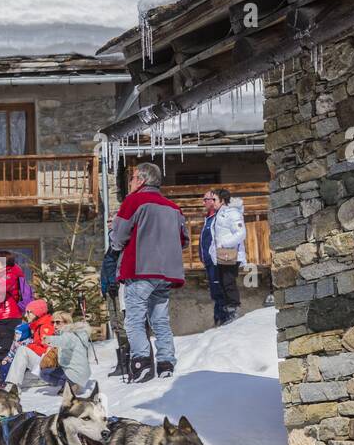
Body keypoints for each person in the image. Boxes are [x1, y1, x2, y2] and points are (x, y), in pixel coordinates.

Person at [110, 162, 188, 383]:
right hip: (167, 273)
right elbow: (183, 240)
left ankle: (141, 363)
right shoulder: (174, 208)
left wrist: (116, 243)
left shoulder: (133, 201)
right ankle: (166, 363)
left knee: (134, 319)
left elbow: (119, 235)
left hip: (140, 269)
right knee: (160, 320)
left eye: (133, 178)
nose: (131, 182)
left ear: (142, 180)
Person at [203, 188, 248, 325]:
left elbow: (241, 233)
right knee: (222, 281)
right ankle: (228, 311)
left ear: (222, 200)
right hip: (221, 255)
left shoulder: (232, 213)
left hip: (231, 254)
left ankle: (234, 309)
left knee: (228, 282)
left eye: (215, 199)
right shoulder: (219, 214)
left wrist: (224, 244)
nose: (213, 202)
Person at [2, 299, 56, 390]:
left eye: (29, 312)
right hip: (43, 363)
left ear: (37, 313)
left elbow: (48, 350)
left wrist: (28, 346)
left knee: (22, 350)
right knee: (22, 350)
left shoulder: (46, 326)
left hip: (48, 364)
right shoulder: (39, 325)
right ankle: (14, 383)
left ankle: (12, 385)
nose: (26, 315)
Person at [100, 217, 130, 378]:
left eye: (112, 220)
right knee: (115, 324)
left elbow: (118, 264)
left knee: (120, 323)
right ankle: (122, 361)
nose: (108, 223)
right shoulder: (112, 240)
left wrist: (113, 282)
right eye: (108, 221)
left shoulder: (119, 240)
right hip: (110, 289)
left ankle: (127, 361)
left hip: (117, 288)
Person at [38, 312, 93, 389]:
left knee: (44, 373)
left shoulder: (68, 334)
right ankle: (69, 384)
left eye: (58, 322)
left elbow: (63, 341)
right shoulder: (74, 333)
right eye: (53, 322)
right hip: (80, 372)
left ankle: (70, 385)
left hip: (75, 373)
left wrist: (49, 339)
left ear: (67, 322)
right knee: (52, 371)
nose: (54, 325)